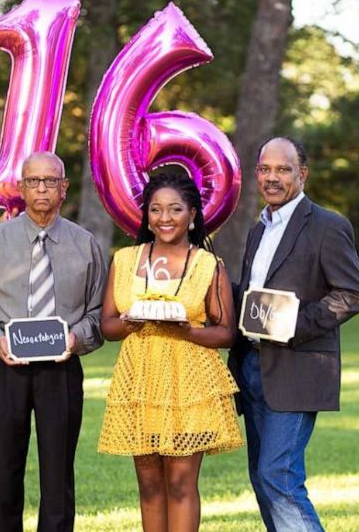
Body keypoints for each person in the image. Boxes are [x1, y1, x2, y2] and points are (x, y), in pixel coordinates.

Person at [0, 151, 106, 532]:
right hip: (4, 368)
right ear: (21, 187)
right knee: (3, 471)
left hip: (62, 371)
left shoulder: (85, 244)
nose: (42, 188)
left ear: (64, 188)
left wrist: (77, 338)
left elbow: (99, 313)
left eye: (50, 181)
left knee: (58, 472)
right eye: (34, 181)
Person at [229, 137, 359, 532]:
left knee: (279, 477)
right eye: (265, 169)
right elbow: (253, 295)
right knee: (262, 478)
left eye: (283, 169)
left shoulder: (327, 226)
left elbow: (353, 294)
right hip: (252, 367)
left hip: (296, 366)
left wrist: (292, 326)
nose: (272, 178)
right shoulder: (259, 229)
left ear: (301, 174)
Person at [98, 172, 243, 532]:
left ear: (192, 214)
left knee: (180, 482)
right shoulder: (126, 260)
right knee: (149, 484)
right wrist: (132, 321)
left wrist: (189, 331)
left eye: (175, 209)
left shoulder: (209, 265)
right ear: (146, 214)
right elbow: (108, 326)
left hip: (189, 383)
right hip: (140, 384)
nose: (165, 218)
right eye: (156, 209)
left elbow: (226, 333)